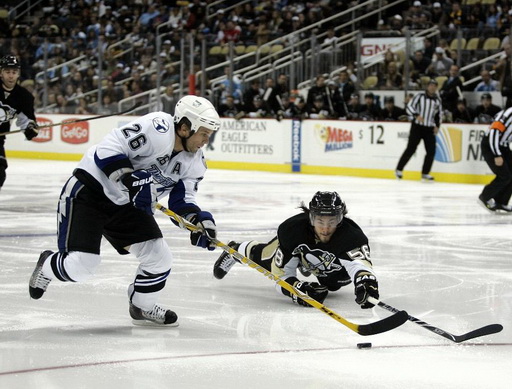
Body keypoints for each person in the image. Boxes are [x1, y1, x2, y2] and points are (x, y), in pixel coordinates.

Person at [28, 95, 221, 326]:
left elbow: (183, 201)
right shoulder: (158, 128)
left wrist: (198, 222)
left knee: (160, 259)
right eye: (203, 133)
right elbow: (108, 149)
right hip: (91, 191)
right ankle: (48, 264)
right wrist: (129, 179)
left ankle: (142, 306)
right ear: (184, 127)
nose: (205, 141)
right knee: (81, 267)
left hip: (126, 204)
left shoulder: (195, 163)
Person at [212, 191, 379, 309]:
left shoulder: (352, 236)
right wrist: (297, 290)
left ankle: (305, 263)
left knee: (334, 285)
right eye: (320, 221)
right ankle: (235, 249)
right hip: (297, 249)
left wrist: (366, 283)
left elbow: (360, 265)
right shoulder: (292, 231)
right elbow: (278, 275)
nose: (326, 229)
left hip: (325, 263)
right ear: (311, 217)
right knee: (265, 258)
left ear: (341, 219)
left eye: (332, 221)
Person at [0, 55, 39, 191]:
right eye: (7, 72)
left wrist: (30, 129)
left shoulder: (24, 97)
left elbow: (28, 121)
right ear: (1, 73)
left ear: (18, 74)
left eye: (14, 72)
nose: (11, 76)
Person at [396, 79, 442, 181]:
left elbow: (439, 114)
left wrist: (437, 126)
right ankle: (399, 169)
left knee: (431, 151)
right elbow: (409, 107)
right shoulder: (420, 96)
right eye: (431, 85)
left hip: (429, 128)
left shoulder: (437, 100)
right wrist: (416, 115)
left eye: (434, 86)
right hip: (417, 127)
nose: (432, 87)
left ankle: (425, 172)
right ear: (427, 86)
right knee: (411, 148)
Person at [478, 107, 512, 213]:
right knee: (504, 176)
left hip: (504, 146)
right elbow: (494, 131)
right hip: (491, 145)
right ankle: (485, 196)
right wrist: (497, 154)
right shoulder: (509, 114)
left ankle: (501, 202)